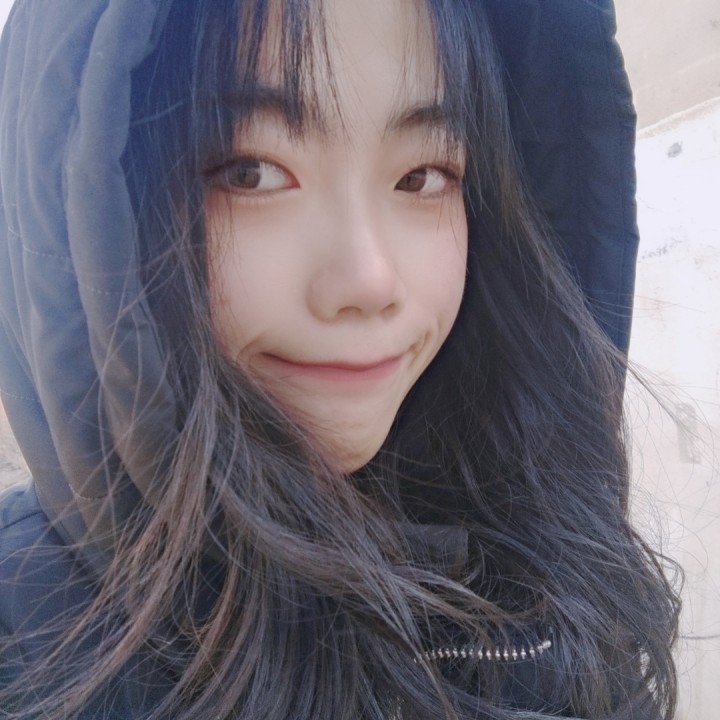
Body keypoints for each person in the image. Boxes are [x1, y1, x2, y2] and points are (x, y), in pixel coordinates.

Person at [0, 0, 680, 718]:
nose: (370, 281)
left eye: (422, 176)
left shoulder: (546, 554)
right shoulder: (23, 638)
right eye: (250, 172)